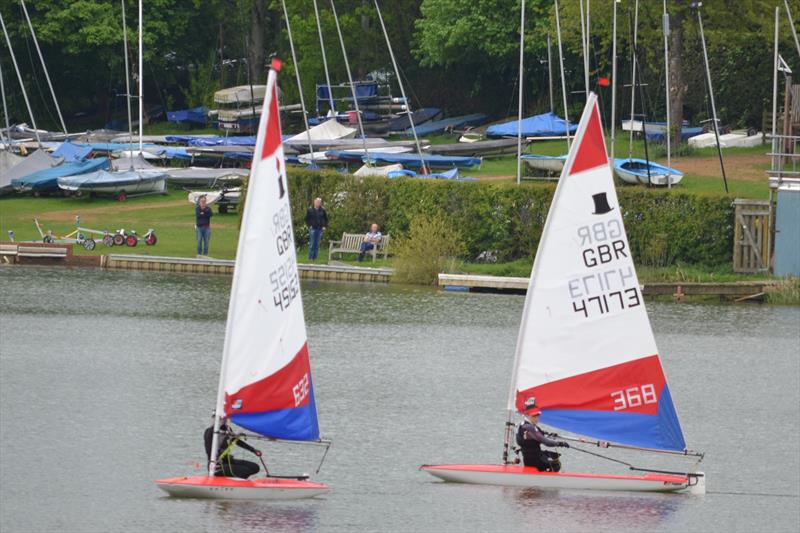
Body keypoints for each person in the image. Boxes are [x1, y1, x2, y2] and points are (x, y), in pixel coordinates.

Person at [516, 403, 569, 471]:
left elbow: (536, 434)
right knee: (556, 464)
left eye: (538, 415)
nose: (537, 418)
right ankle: (547, 480)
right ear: (527, 415)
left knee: (553, 455)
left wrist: (547, 434)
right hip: (535, 461)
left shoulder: (522, 425)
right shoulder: (529, 427)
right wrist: (560, 443)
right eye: (534, 416)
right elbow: (546, 442)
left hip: (529, 458)